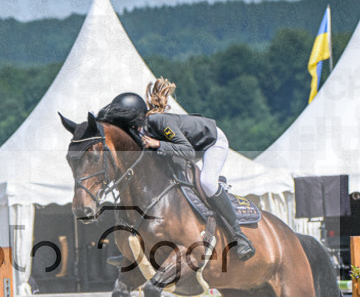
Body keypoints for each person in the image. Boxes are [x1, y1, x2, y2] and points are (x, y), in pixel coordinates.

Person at [101, 78, 255, 260]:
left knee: (207, 182)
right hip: (183, 146)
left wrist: (158, 144)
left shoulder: (158, 122)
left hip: (210, 143)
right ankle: (132, 251)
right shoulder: (138, 132)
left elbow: (188, 151)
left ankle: (239, 236)